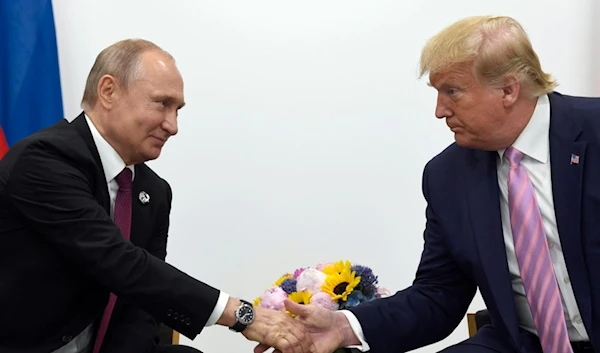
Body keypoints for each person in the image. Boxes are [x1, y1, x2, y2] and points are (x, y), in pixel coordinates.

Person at [276, 15, 600, 353]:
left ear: (508, 89)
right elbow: (439, 294)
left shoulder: (593, 130)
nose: (440, 111)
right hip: (522, 343)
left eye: (452, 92)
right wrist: (345, 326)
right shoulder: (447, 175)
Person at [0, 39, 314, 353]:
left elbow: (139, 303)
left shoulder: (153, 190)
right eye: (162, 103)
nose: (173, 125)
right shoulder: (43, 159)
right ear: (108, 91)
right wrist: (241, 315)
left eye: (177, 109)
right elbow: (118, 261)